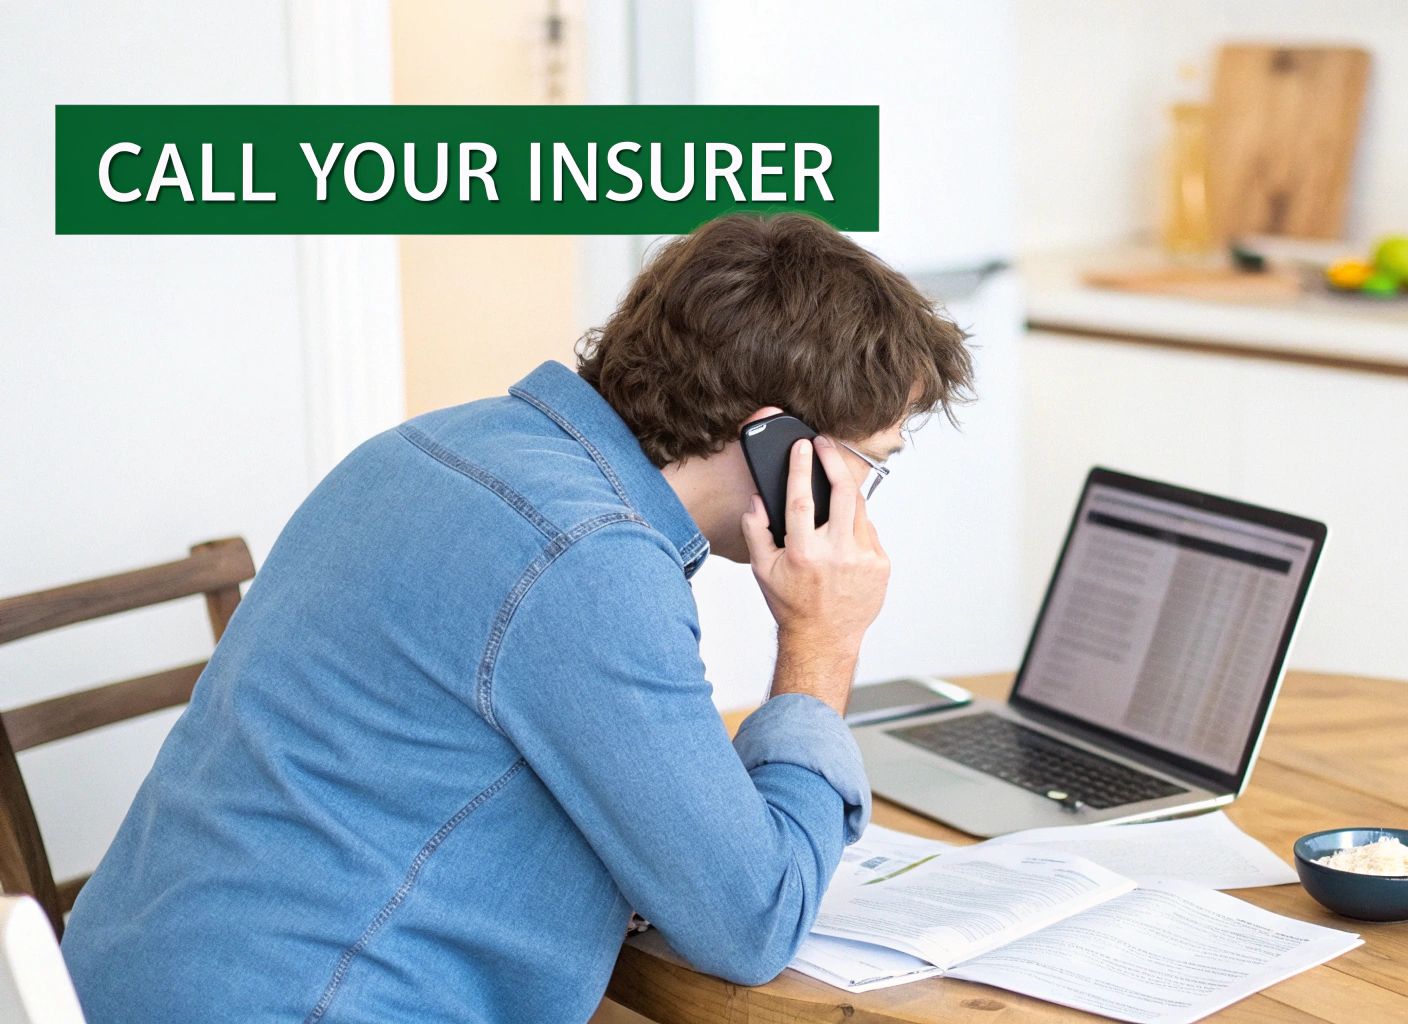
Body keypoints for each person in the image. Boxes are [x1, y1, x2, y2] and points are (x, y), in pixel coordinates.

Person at [62, 213, 973, 1023]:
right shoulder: (589, 560)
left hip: (122, 984)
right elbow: (753, 924)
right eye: (869, 464)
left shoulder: (428, 446)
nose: (864, 503)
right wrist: (822, 641)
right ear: (781, 447)